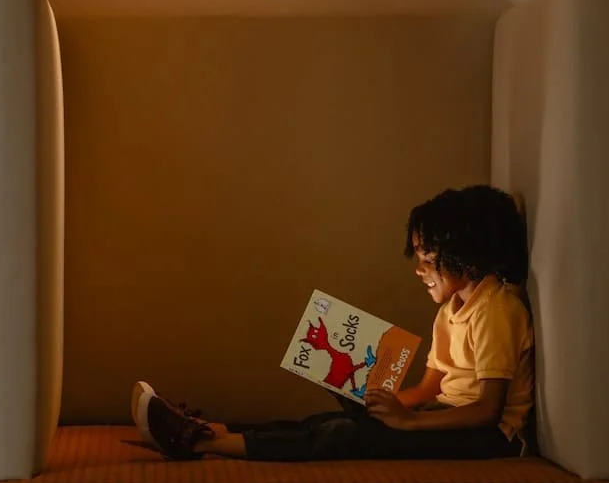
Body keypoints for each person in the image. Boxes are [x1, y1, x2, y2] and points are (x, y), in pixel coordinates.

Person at [131, 184, 535, 462]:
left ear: (469, 256)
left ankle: (202, 444)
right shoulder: (450, 311)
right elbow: (432, 386)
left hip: (487, 439)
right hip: (445, 414)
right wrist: (384, 405)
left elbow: (487, 410)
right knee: (328, 421)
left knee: (339, 436)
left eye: (428, 260)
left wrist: (409, 422)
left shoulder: (496, 310)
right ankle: (205, 429)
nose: (419, 270)